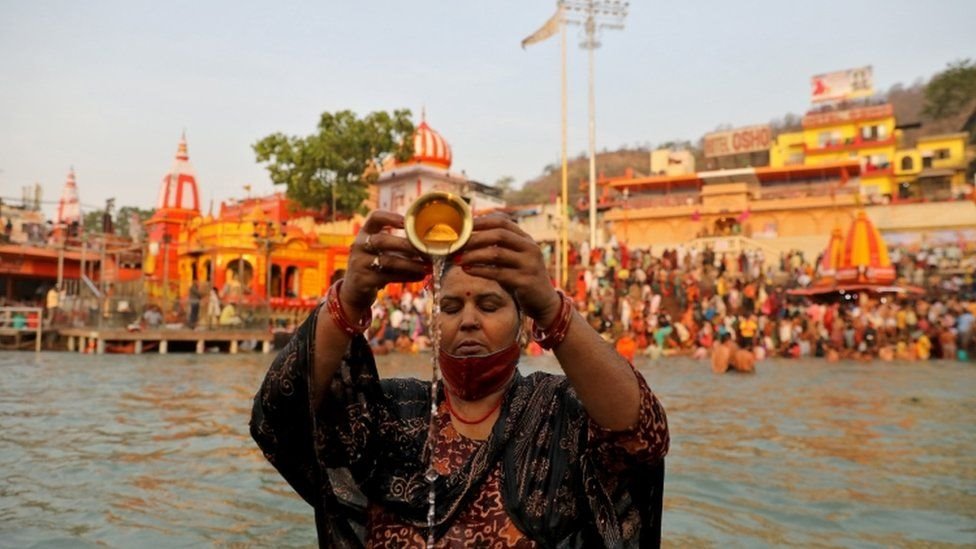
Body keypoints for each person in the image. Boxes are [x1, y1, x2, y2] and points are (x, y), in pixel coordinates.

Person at [251, 211, 669, 547]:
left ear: (523, 325)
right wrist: (349, 299)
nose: (468, 320)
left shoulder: (559, 412)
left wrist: (550, 306)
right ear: (434, 324)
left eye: (489, 305)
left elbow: (643, 438)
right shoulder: (389, 411)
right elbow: (277, 420)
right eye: (450, 308)